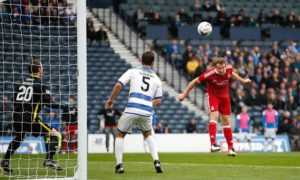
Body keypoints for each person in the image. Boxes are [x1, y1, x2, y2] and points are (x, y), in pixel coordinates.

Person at [178, 57, 251, 156]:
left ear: (225, 65)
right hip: (213, 95)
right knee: (214, 115)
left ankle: (230, 148)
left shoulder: (228, 69)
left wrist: (242, 81)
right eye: (219, 68)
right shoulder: (209, 74)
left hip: (225, 96)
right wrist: (183, 94)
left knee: (226, 120)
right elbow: (195, 82)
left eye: (222, 67)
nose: (221, 70)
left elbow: (232, 74)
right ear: (215, 67)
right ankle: (213, 144)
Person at [106, 51, 163, 174]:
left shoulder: (132, 71)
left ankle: (119, 165)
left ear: (141, 60)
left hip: (132, 108)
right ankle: (157, 161)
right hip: (147, 111)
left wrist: (111, 100)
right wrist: (148, 105)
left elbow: (118, 86)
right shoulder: (157, 79)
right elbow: (158, 101)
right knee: (148, 134)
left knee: (120, 134)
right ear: (153, 62)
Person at [1, 59, 63, 173]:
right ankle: (49, 160)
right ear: (39, 69)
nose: (43, 69)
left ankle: (5, 161)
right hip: (30, 119)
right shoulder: (42, 85)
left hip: (17, 118)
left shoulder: (20, 84)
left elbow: (15, 102)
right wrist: (63, 106)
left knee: (19, 137)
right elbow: (49, 103)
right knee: (56, 135)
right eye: (42, 67)